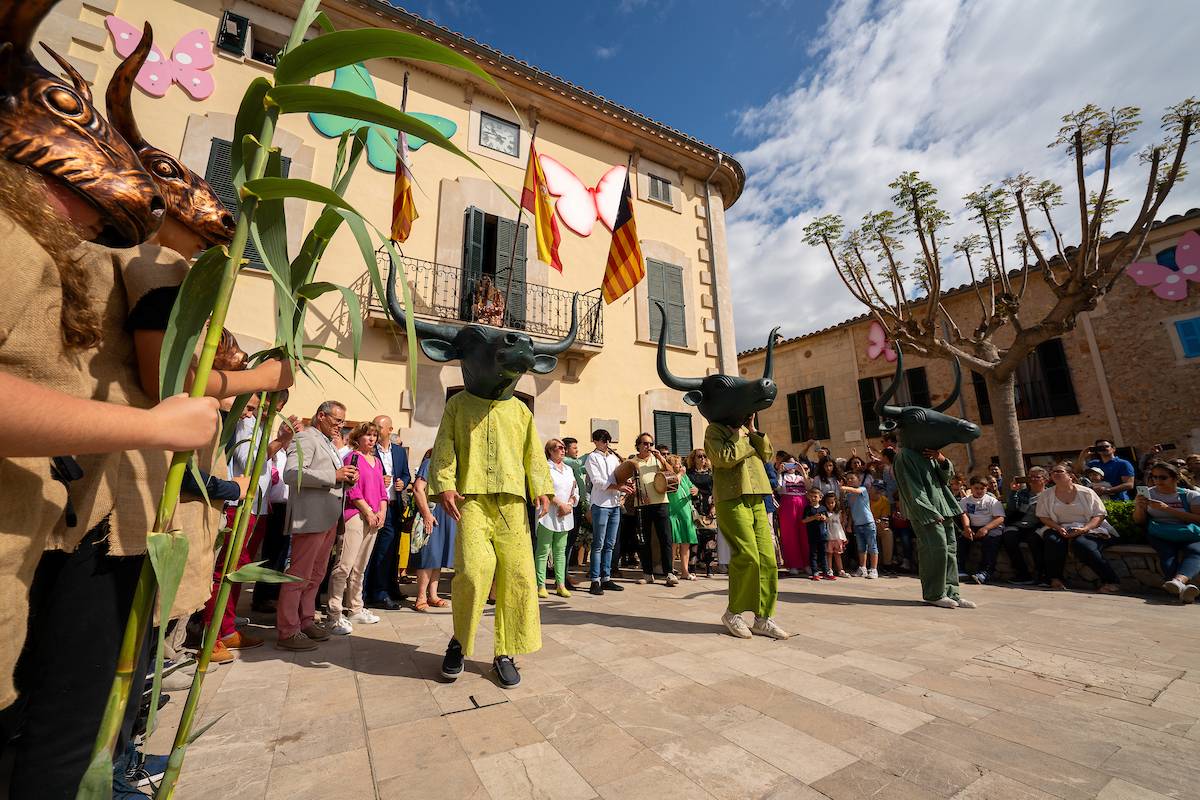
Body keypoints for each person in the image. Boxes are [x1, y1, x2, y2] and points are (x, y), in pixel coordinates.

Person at [202, 391, 296, 657]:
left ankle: (227, 628)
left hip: (257, 508)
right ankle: (211, 633)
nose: (269, 411)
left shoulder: (259, 424)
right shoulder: (245, 422)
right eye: (262, 406)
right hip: (238, 506)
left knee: (239, 570)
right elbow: (249, 462)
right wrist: (279, 441)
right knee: (224, 571)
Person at [277, 401, 357, 651]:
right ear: (321, 416)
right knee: (299, 574)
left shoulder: (327, 442)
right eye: (337, 420)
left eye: (343, 422)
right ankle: (288, 630)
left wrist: (346, 479)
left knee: (316, 574)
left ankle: (306, 620)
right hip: (310, 518)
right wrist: (334, 476)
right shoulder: (305, 438)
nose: (341, 426)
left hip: (328, 518)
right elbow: (292, 473)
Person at [706, 413, 790, 639]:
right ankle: (733, 613)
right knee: (747, 555)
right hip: (731, 497)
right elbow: (723, 458)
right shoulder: (714, 430)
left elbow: (767, 454)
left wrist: (752, 430)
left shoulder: (747, 431)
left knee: (767, 558)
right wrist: (738, 437)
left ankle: (764, 618)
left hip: (758, 496)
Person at [327, 421, 389, 634]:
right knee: (344, 566)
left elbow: (382, 491)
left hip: (374, 517)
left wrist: (382, 512)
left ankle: (355, 608)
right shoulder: (352, 458)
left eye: (374, 435)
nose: (372, 439)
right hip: (355, 515)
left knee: (360, 567)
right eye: (367, 435)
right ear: (358, 437)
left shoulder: (377, 462)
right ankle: (334, 613)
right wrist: (369, 512)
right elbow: (352, 490)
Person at [1037, 462, 1121, 593]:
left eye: (1059, 471)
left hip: (1089, 528)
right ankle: (1055, 579)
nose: (1055, 474)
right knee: (1052, 540)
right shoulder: (1046, 494)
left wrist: (1084, 529)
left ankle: (1111, 581)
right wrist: (1057, 527)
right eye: (1053, 472)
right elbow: (1043, 516)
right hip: (1059, 528)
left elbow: (1099, 515)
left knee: (1082, 544)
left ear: (1070, 475)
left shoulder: (1087, 492)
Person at [1135, 461, 1200, 603]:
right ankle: (1181, 588)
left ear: (1175, 478)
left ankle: (1178, 583)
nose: (1157, 481)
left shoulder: (1191, 495)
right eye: (1154, 477)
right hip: (1160, 532)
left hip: (1189, 533)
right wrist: (1139, 507)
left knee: (1195, 552)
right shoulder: (1148, 494)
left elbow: (1198, 519)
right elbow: (1139, 521)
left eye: (1163, 477)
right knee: (1167, 555)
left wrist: (1167, 509)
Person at [365, 415, 411, 611]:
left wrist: (403, 482)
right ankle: (374, 592)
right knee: (373, 551)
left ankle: (388, 588)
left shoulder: (399, 452)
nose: (375, 431)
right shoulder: (369, 450)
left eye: (379, 427)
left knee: (390, 551)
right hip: (373, 507)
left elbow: (406, 474)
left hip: (393, 507)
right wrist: (379, 480)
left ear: (390, 430)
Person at [409, 448, 454, 611]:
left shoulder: (448, 468)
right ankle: (421, 597)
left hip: (446, 516)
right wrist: (427, 514)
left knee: (438, 557)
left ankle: (433, 595)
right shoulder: (429, 463)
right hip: (432, 513)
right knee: (428, 556)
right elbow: (418, 489)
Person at [584, 429, 627, 595]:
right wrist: (619, 487)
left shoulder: (613, 458)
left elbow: (619, 476)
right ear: (595, 441)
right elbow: (597, 481)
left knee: (610, 544)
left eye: (608, 440)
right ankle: (594, 581)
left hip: (614, 504)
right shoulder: (592, 458)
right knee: (598, 544)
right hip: (600, 504)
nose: (606, 443)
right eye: (603, 440)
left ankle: (606, 578)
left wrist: (626, 481)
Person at [633, 433, 678, 586]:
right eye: (645, 443)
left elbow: (672, 473)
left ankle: (669, 573)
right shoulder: (632, 461)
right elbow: (628, 481)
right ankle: (647, 573)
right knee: (644, 540)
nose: (649, 446)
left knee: (665, 538)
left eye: (651, 444)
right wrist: (638, 493)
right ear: (638, 445)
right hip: (642, 505)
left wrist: (661, 458)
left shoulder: (657, 459)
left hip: (661, 503)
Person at [536, 438, 578, 598]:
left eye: (563, 448)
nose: (563, 450)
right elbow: (543, 489)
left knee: (560, 551)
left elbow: (575, 491)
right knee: (543, 550)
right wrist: (560, 504)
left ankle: (560, 584)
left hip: (565, 515)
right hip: (548, 515)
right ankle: (540, 585)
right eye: (559, 448)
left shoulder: (568, 469)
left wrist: (569, 504)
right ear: (550, 451)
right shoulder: (545, 467)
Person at [1001, 467, 1049, 586]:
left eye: (1036, 477)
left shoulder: (1049, 494)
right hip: (1018, 525)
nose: (1032, 479)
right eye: (1030, 477)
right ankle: (1022, 574)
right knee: (1008, 537)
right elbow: (1011, 509)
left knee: (1034, 540)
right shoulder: (1022, 493)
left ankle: (1041, 574)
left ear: (1045, 480)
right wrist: (1013, 492)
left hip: (1037, 525)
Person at [957, 476, 1006, 585]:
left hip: (992, 526)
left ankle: (985, 572)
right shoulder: (965, 501)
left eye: (982, 488)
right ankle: (960, 568)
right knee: (962, 539)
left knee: (991, 540)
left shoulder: (992, 501)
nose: (979, 491)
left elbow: (1000, 518)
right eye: (976, 488)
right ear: (971, 488)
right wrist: (967, 528)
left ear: (986, 488)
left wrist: (986, 528)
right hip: (973, 526)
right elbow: (964, 515)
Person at [666, 455, 699, 581]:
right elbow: (673, 485)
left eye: (680, 463)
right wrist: (679, 473)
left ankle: (685, 571)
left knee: (686, 543)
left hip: (686, 512)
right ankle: (671, 571)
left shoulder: (685, 476)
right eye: (677, 463)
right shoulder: (667, 476)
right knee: (673, 543)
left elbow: (692, 487)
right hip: (673, 512)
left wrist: (695, 490)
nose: (680, 465)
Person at [560, 436, 587, 590]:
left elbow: (582, 469)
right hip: (567, 506)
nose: (577, 450)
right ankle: (562, 577)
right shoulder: (566, 461)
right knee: (564, 544)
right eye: (574, 448)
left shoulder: (573, 464)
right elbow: (579, 463)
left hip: (576, 506)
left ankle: (564, 575)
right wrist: (594, 453)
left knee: (569, 543)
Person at [842, 471, 879, 578]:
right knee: (861, 547)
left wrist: (843, 487)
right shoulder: (849, 496)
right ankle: (863, 568)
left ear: (858, 480)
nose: (849, 480)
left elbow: (856, 490)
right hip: (857, 524)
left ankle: (874, 569)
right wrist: (849, 525)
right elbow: (851, 510)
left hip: (868, 523)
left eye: (852, 478)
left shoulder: (862, 489)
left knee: (872, 546)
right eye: (848, 479)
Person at [776, 459, 810, 576]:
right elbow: (779, 489)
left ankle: (807, 564)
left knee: (805, 534)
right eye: (788, 464)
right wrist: (779, 473)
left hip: (802, 504)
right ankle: (793, 564)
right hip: (788, 505)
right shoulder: (783, 477)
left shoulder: (801, 477)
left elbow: (809, 487)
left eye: (794, 463)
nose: (791, 466)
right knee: (790, 535)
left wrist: (803, 472)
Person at [802, 487, 832, 579]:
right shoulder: (808, 508)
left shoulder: (823, 508)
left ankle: (825, 572)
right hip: (812, 535)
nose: (813, 498)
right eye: (811, 496)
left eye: (815, 496)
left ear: (820, 498)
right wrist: (813, 517)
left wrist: (824, 518)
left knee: (823, 554)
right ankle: (815, 572)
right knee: (813, 554)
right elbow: (803, 520)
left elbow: (828, 520)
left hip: (822, 535)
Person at [868, 479, 893, 571]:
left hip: (876, 524)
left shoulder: (884, 501)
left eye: (881, 489)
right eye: (876, 488)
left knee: (887, 532)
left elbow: (884, 518)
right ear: (871, 487)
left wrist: (883, 522)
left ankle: (887, 564)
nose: (878, 491)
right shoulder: (864, 497)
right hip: (865, 525)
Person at [822, 492, 849, 577]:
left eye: (832, 502)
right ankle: (829, 569)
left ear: (835, 502)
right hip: (829, 537)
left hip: (838, 537)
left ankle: (840, 570)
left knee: (838, 554)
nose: (830, 505)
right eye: (828, 503)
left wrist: (844, 537)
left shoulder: (838, 513)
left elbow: (841, 525)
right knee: (829, 554)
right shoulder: (825, 513)